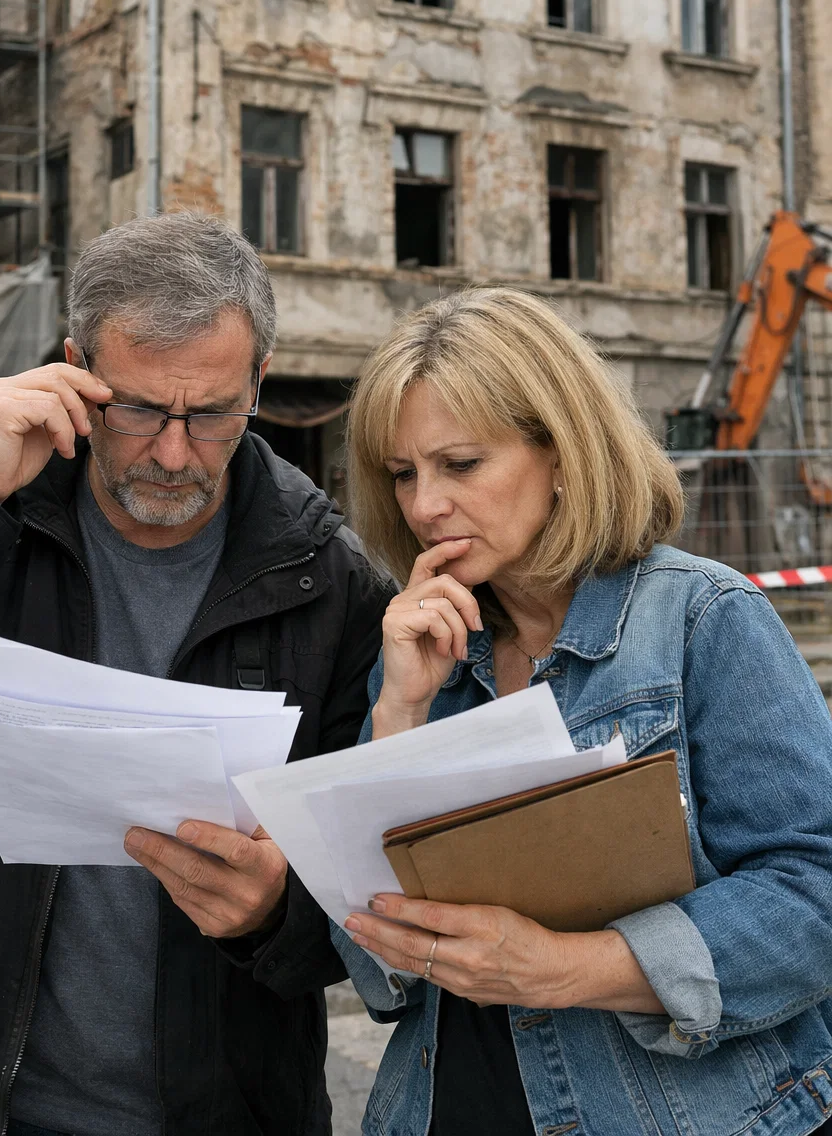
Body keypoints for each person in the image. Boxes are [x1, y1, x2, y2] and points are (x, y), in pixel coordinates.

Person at [0, 212, 392, 1136]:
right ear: (74, 369)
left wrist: (277, 911)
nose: (172, 451)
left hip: (226, 1114)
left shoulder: (330, 580)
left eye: (211, 415)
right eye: (138, 409)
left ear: (260, 384)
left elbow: (380, 894)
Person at [333, 287, 832, 1136]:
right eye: (403, 474)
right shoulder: (421, 650)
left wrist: (568, 967)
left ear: (562, 453)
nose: (423, 507)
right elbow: (368, 953)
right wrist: (399, 713)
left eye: (460, 464)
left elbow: (813, 896)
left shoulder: (700, 619)